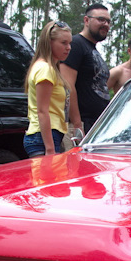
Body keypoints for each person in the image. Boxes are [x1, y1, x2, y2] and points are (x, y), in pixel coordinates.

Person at [24, 20, 77, 158]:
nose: (69, 47)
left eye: (70, 43)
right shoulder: (45, 69)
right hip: (43, 138)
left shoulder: (50, 68)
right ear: (49, 42)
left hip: (48, 136)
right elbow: (42, 111)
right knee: (46, 178)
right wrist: (50, 149)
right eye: (63, 43)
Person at [60, 5, 112, 134]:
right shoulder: (76, 44)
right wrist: (77, 125)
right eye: (101, 19)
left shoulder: (92, 49)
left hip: (96, 125)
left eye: (108, 21)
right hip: (81, 124)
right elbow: (67, 85)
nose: (105, 24)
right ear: (86, 20)